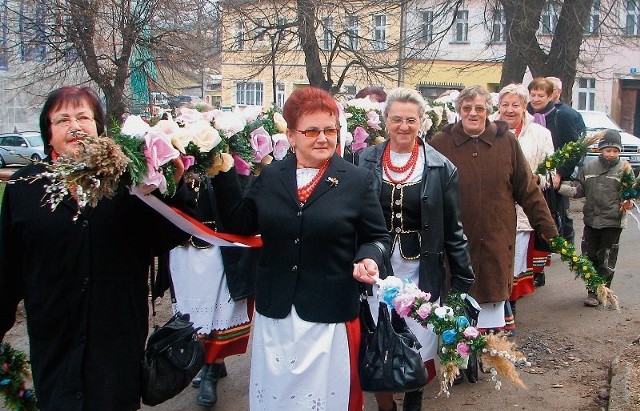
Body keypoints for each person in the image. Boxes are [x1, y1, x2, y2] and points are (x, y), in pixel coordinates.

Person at [0, 86, 195, 410]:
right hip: (56, 345)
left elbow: (168, 234)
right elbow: (7, 269)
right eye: (62, 120)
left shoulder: (129, 181)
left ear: (99, 129)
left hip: (116, 347)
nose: (74, 127)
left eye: (83, 117)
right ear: (48, 134)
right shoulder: (25, 187)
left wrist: (172, 183)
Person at [210, 86, 391, 410]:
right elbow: (240, 224)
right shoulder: (270, 176)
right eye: (311, 131)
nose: (323, 138)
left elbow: (378, 237)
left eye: (330, 130)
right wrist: (222, 170)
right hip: (277, 313)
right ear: (291, 136)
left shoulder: (356, 180)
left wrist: (369, 258)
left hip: (329, 314)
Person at [358, 87, 475, 411]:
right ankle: (386, 405)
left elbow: (453, 229)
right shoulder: (364, 159)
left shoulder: (440, 167)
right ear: (385, 121)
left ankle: (414, 398)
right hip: (376, 268)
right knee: (380, 333)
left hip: (421, 269)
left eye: (411, 120)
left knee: (420, 337)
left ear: (421, 122)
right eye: (397, 119)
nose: (404, 126)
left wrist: (463, 280)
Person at [429, 85, 558, 334]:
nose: (473, 113)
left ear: (489, 110)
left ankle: (488, 354)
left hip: (496, 238)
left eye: (480, 108)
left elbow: (527, 189)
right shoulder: (440, 143)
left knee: (490, 301)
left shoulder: (506, 141)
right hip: (454, 242)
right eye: (467, 108)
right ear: (459, 111)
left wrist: (546, 226)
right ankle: (458, 362)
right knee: (456, 304)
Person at [164, 177, 259, 408]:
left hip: (219, 244)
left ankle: (211, 369)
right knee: (192, 308)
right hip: (183, 244)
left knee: (220, 309)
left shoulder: (225, 151)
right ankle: (208, 360)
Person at [489, 84, 555, 327]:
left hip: (522, 209)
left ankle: (510, 304)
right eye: (505, 104)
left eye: (515, 105)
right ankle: (494, 305)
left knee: (515, 259)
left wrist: (539, 178)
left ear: (524, 107)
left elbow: (551, 168)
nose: (509, 109)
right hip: (493, 207)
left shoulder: (539, 133)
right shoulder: (487, 129)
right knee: (494, 257)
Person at [558, 130, 635, 307]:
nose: (611, 154)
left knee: (607, 257)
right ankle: (591, 291)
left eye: (615, 151)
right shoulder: (589, 168)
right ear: (600, 150)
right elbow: (578, 190)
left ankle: (604, 290)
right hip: (591, 220)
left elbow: (629, 195)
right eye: (608, 150)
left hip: (613, 222)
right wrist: (557, 186)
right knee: (589, 256)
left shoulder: (624, 170)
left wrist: (628, 202)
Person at [527, 77, 585, 249]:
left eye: (540, 95)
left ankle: (557, 244)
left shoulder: (563, 116)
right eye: (533, 95)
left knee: (552, 214)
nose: (536, 99)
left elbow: (575, 148)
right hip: (529, 175)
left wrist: (560, 172)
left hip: (552, 178)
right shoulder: (524, 114)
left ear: (550, 96)